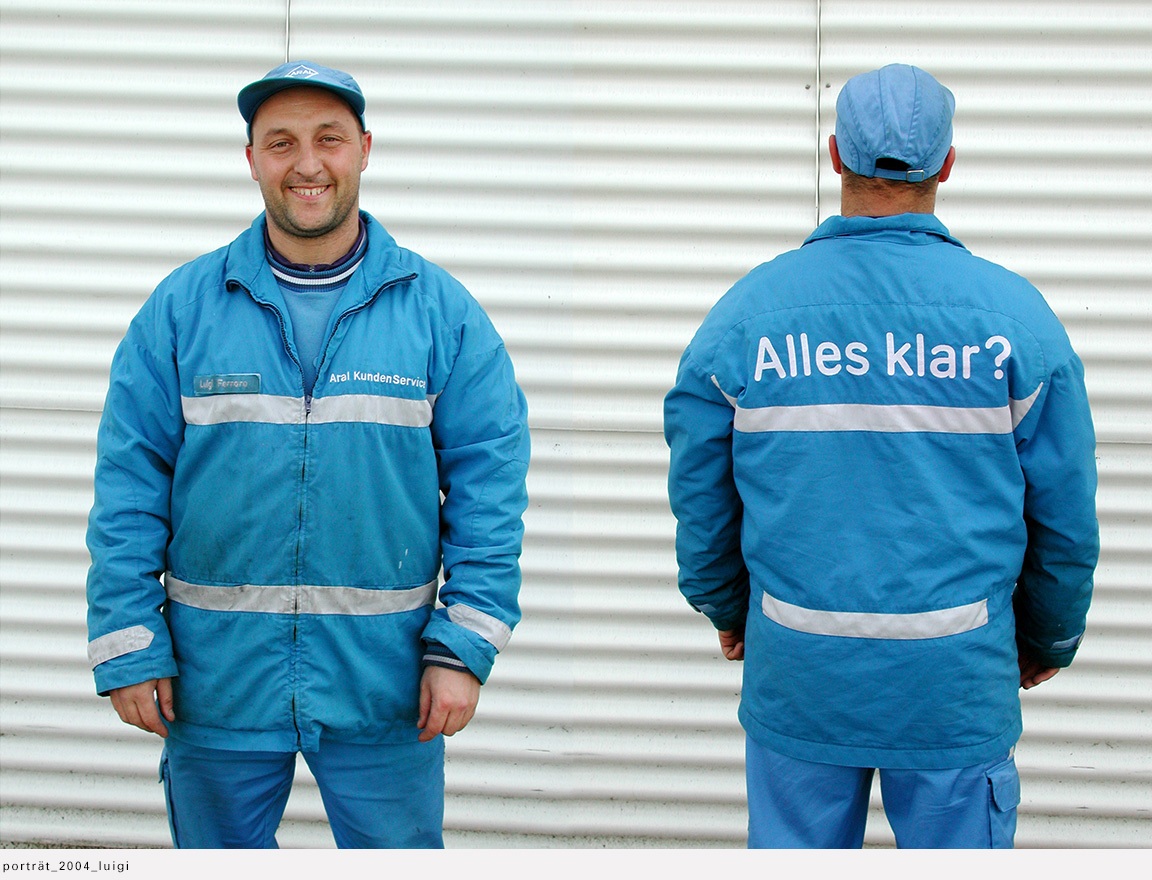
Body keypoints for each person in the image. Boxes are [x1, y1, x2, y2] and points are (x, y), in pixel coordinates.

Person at [84, 61, 531, 849]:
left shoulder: (442, 316)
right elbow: (129, 486)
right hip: (216, 687)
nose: (307, 163)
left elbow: (490, 490)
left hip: (387, 689)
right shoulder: (182, 311)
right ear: (251, 159)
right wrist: (128, 643)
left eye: (329, 138)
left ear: (365, 149)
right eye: (281, 142)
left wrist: (463, 649)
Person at [663, 63, 1098, 849]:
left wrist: (728, 608)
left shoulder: (748, 317)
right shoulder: (1016, 321)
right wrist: (1047, 639)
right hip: (954, 684)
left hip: (801, 674)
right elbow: (1065, 517)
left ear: (835, 154)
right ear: (948, 164)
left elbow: (701, 496)